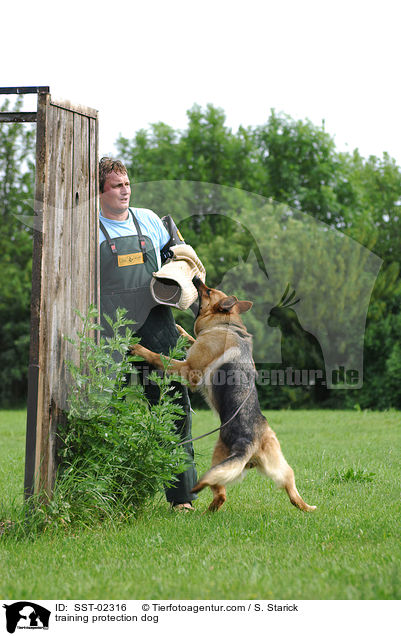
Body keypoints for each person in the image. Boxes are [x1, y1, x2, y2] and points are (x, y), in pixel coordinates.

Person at [99, 157, 197, 511]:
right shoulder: (89, 228)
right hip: (110, 329)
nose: (124, 190)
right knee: (105, 408)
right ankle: (104, 494)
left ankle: (182, 497)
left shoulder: (150, 220)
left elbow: (181, 256)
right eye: (116, 186)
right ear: (100, 192)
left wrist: (181, 275)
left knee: (172, 407)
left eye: (127, 184)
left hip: (158, 323)